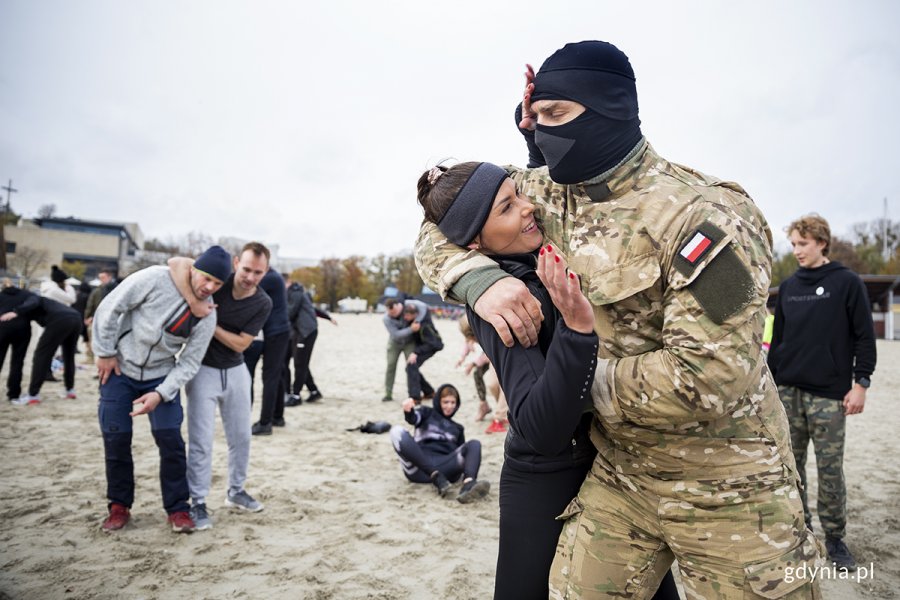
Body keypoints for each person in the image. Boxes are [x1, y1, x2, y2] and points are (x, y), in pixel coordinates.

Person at [415, 40, 822, 598]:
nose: (541, 134)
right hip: (621, 477)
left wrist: (569, 383)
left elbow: (711, 375)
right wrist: (479, 279)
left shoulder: (704, 213)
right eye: (533, 120)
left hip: (729, 485)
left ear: (610, 107)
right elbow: (440, 218)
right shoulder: (546, 195)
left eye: (555, 116)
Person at [416, 161, 679, 600]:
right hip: (547, 484)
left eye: (518, 193)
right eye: (507, 207)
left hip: (615, 468)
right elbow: (540, 428)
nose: (527, 205)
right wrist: (577, 331)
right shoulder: (506, 299)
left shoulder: (541, 254)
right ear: (475, 242)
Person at [91, 245, 228, 533]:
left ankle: (178, 509)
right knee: (116, 440)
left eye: (217, 284)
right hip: (120, 368)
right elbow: (111, 307)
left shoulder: (207, 314)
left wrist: (161, 393)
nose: (209, 287)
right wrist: (104, 351)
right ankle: (119, 506)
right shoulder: (154, 278)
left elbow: (190, 363)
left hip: (160, 376)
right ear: (193, 269)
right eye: (206, 278)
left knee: (172, 443)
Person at [768, 214, 877, 571]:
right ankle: (802, 530)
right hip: (788, 392)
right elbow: (778, 343)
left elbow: (864, 336)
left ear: (822, 243)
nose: (797, 250)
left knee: (830, 470)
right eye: (794, 244)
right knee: (791, 468)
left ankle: (835, 538)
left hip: (829, 395)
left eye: (803, 243)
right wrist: (771, 383)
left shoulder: (846, 282)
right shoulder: (788, 287)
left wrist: (861, 383)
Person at [170, 243, 273, 530]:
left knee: (241, 437)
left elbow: (242, 343)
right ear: (236, 263)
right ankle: (198, 502)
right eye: (246, 269)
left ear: (265, 273)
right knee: (201, 440)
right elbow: (177, 263)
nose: (250, 277)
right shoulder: (218, 281)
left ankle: (236, 491)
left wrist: (209, 319)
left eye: (258, 272)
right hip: (203, 370)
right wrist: (194, 302)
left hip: (237, 370)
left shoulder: (263, 302)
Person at [389, 383, 490, 503]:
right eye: (446, 402)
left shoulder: (457, 428)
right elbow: (413, 418)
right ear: (438, 401)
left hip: (444, 469)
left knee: (474, 444)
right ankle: (434, 475)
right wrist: (408, 410)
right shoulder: (426, 413)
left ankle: (468, 485)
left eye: (453, 403)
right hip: (418, 468)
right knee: (396, 431)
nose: (450, 406)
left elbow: (461, 455)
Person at [3, 292, 82, 404]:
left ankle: (33, 395)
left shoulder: (33, 297)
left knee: (41, 356)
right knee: (69, 356)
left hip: (59, 320)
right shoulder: (48, 302)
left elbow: (34, 302)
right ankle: (70, 390)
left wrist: (16, 312)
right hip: (76, 318)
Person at [249, 268, 291, 436]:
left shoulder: (270, 278)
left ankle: (265, 422)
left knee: (270, 376)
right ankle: (277, 416)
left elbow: (248, 291)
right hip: (280, 331)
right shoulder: (275, 277)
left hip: (275, 332)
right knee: (277, 374)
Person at [284, 276, 336, 405]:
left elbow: (290, 313)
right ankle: (314, 391)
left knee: (299, 363)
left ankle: (296, 395)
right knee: (297, 361)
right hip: (298, 331)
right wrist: (328, 317)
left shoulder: (295, 292)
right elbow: (313, 309)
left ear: (288, 282)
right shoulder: (297, 291)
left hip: (306, 331)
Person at [457, 313, 508, 433]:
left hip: (501, 353)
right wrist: (462, 358)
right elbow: (467, 343)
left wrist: (473, 363)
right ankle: (488, 407)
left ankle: (499, 419)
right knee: (492, 384)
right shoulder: (470, 331)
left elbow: (487, 352)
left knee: (503, 387)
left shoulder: (486, 328)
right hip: (493, 358)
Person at [381, 297, 426, 402]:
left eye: (395, 311)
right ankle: (388, 393)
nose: (393, 314)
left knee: (411, 366)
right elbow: (396, 335)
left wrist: (417, 321)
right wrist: (411, 329)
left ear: (399, 306)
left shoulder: (407, 304)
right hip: (394, 343)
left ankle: (413, 393)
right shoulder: (386, 318)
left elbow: (423, 307)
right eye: (390, 312)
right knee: (391, 365)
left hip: (409, 342)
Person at [402, 302, 443, 405]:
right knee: (411, 368)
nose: (405, 317)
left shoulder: (424, 325)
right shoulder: (412, 322)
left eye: (407, 315)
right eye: (405, 315)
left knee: (411, 366)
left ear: (415, 314)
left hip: (431, 347)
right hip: (423, 347)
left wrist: (416, 352)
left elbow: (432, 343)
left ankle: (415, 398)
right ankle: (429, 392)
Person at [0, 279, 33, 402]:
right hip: (22, 329)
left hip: (2, 328)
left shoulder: (1, 295)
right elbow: (34, 302)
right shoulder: (26, 295)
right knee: (17, 362)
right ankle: (13, 393)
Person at [83, 268, 118, 365]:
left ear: (109, 277)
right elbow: (91, 304)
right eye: (100, 277)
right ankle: (91, 359)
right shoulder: (98, 290)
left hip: (108, 319)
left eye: (103, 277)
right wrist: (88, 316)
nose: (101, 279)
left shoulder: (114, 289)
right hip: (96, 318)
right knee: (93, 339)